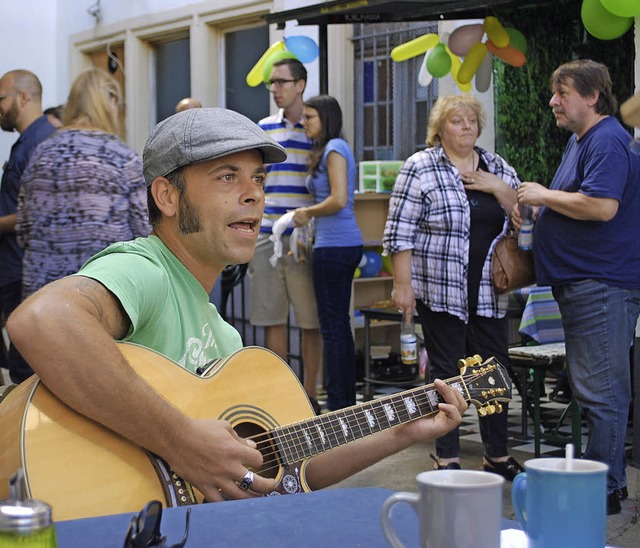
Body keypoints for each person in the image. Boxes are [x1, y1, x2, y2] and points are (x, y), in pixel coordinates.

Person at [6, 107, 467, 504]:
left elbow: (292, 470)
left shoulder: (223, 337)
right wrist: (180, 441)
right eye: (227, 177)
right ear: (167, 196)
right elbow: (42, 321)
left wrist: (402, 430)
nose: (254, 194)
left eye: (258, 179)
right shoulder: (146, 270)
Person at [514, 59, 640, 515]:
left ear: (591, 97)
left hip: (600, 284)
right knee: (597, 388)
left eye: (562, 93)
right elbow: (579, 200)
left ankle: (601, 490)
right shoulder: (583, 140)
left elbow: (602, 206)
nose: (552, 101)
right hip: (588, 283)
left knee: (601, 391)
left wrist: (543, 196)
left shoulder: (605, 139)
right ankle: (610, 482)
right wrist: (539, 207)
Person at [383, 94, 524, 480]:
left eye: (472, 121)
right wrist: (403, 284)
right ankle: (447, 455)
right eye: (457, 121)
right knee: (445, 373)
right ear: (440, 128)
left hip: (488, 293)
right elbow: (400, 232)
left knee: (493, 373)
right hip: (440, 290)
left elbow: (524, 220)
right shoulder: (421, 167)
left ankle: (496, 454)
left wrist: (499, 188)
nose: (466, 127)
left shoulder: (497, 166)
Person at [16, 68, 151, 303]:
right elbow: (145, 232)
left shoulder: (41, 154)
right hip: (99, 292)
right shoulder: (122, 158)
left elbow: (24, 229)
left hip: (42, 296)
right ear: (111, 102)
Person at [249, 58, 323, 412]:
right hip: (266, 234)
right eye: (272, 83)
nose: (275, 89)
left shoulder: (316, 131)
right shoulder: (262, 129)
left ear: (301, 84)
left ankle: (310, 395)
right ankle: (279, 397)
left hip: (304, 238)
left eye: (281, 82)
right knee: (271, 318)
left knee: (311, 319)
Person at [292, 95, 363, 411]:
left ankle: (338, 402)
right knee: (338, 326)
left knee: (332, 328)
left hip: (335, 245)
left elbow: (338, 199)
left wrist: (307, 213)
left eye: (309, 117)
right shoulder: (333, 148)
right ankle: (344, 398)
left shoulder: (334, 148)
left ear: (326, 119)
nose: (303, 122)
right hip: (338, 244)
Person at [0, 69, 57, 384]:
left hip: (27, 275)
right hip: (15, 272)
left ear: (22, 97)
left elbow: (37, 214)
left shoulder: (42, 142)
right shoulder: (26, 142)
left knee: (28, 372)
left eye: (1, 98)